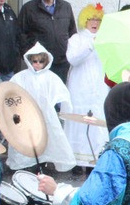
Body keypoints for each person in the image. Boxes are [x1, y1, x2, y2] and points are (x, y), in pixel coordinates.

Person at [7, 42, 77, 172]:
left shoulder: (51, 77)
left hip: (46, 114)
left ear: (46, 62)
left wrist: (65, 112)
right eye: (34, 61)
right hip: (26, 113)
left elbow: (63, 95)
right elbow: (11, 92)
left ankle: (44, 162)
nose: (37, 64)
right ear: (29, 61)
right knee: (27, 138)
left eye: (41, 61)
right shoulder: (21, 77)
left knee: (49, 137)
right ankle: (27, 164)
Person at [64, 3, 109, 166]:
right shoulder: (76, 39)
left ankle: (95, 157)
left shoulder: (105, 39)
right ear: (85, 20)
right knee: (79, 119)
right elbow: (72, 59)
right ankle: (77, 160)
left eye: (98, 19)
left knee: (98, 119)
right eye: (91, 19)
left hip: (99, 85)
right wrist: (91, 45)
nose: (94, 22)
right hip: (80, 85)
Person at [17, 0, 77, 82]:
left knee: (58, 95)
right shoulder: (29, 8)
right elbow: (21, 35)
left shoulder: (66, 7)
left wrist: (70, 54)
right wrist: (29, 58)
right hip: (39, 62)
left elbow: (72, 32)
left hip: (62, 62)